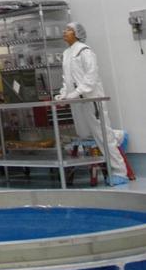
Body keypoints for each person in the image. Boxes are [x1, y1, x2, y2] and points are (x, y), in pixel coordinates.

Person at [55, 22, 128, 185]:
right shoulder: (67, 53)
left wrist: (74, 93)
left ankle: (120, 171)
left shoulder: (85, 51)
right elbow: (67, 79)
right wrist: (63, 94)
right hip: (77, 102)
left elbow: (90, 78)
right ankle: (112, 152)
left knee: (103, 136)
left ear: (76, 33)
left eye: (68, 30)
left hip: (91, 100)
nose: (64, 32)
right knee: (85, 135)